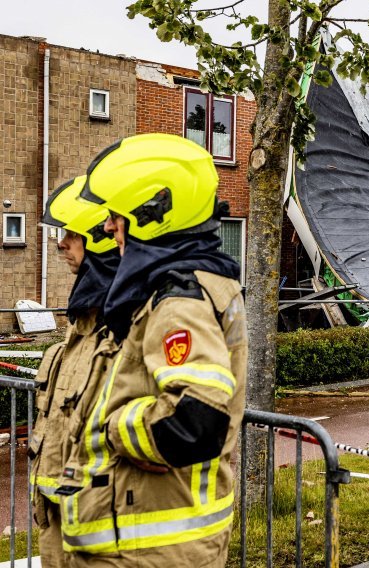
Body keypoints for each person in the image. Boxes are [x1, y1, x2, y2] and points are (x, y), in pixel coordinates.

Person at [57, 133, 247, 567]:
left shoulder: (179, 300)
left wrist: (114, 425)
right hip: (149, 540)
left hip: (152, 547)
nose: (107, 228)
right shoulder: (193, 286)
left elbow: (194, 422)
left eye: (116, 217)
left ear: (152, 216)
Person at [31, 176, 120, 568]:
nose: (60, 243)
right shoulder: (80, 326)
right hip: (56, 523)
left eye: (72, 234)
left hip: (95, 535)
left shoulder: (123, 324)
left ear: (99, 241)